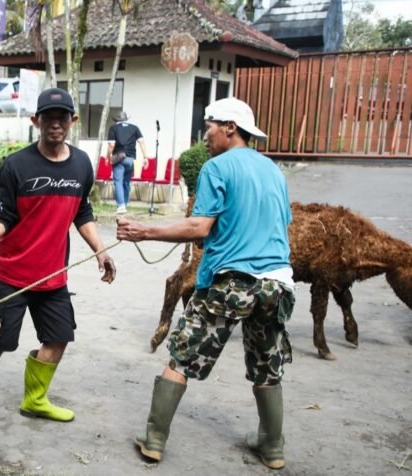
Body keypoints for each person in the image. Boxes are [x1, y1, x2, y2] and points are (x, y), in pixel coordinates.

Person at [116, 97, 296, 470]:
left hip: (231, 281)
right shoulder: (274, 172)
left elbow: (199, 227)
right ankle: (272, 447)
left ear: (230, 127)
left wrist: (145, 230)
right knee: (267, 365)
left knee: (182, 357)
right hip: (276, 285)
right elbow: (274, 226)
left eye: (209, 126)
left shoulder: (218, 167)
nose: (205, 136)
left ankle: (153, 440)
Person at [0, 87, 116, 425]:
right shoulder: (17, 165)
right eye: (48, 118)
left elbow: (81, 212)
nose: (55, 124)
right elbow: (4, 217)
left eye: (62, 117)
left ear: (72, 120)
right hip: (13, 275)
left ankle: (35, 399)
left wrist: (100, 251)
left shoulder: (82, 164)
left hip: (54, 276)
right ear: (35, 121)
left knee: (58, 338)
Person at [106, 111, 148, 215]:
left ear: (116, 120)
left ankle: (121, 206)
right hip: (130, 159)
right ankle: (124, 204)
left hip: (119, 158)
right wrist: (145, 157)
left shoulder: (113, 128)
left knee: (118, 182)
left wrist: (107, 156)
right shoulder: (134, 128)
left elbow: (111, 145)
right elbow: (142, 142)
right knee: (126, 182)